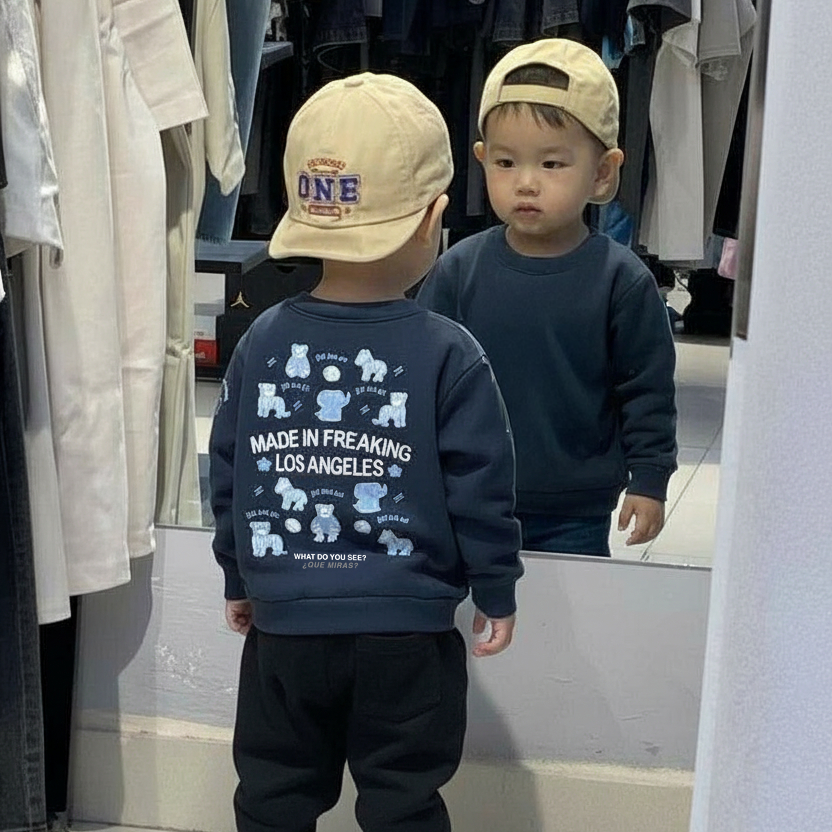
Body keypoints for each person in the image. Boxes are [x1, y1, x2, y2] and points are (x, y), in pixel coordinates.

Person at [209, 72, 523, 832]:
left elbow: (232, 473)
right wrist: (496, 588)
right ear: (434, 219)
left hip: (284, 628)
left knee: (274, 794)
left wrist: (238, 574)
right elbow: (481, 488)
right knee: (403, 802)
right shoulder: (451, 353)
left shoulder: (262, 340)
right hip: (408, 635)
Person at [418, 39, 677, 556]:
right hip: (463, 498)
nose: (526, 183)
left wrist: (649, 479)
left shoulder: (621, 281)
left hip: (575, 513)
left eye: (553, 164)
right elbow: (421, 377)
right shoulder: (457, 270)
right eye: (506, 162)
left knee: (569, 608)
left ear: (602, 172)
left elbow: (647, 391)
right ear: (481, 160)